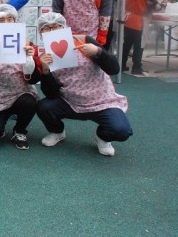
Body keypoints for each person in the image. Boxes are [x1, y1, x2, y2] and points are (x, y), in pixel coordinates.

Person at [36, 12, 132, 156]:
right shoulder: (44, 56)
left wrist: (98, 52)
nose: (52, 32)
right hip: (70, 101)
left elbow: (114, 69)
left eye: (56, 27)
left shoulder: (84, 40)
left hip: (102, 101)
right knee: (44, 107)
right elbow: (51, 94)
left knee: (121, 130)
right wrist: (45, 71)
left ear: (64, 28)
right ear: (40, 33)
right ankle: (57, 132)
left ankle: (102, 137)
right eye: (46, 29)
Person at [0, 4, 40, 150]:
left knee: (29, 101)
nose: (6, 23)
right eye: (1, 20)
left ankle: (20, 130)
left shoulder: (28, 44)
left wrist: (30, 60)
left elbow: (33, 79)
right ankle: (2, 118)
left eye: (10, 19)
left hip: (21, 93)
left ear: (15, 21)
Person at [122, 0, 167, 75]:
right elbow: (156, 7)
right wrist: (164, 3)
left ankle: (122, 64)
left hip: (128, 18)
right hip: (140, 20)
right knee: (139, 44)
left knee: (127, 43)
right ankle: (137, 67)